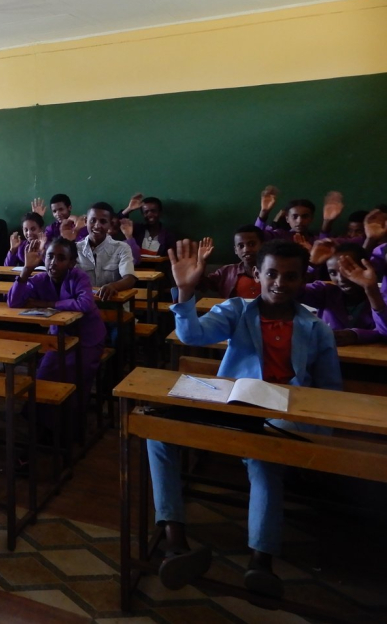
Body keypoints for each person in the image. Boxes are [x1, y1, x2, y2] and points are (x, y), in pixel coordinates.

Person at [149, 239, 341, 599]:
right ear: (257, 274)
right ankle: (175, 541)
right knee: (158, 432)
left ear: (303, 280)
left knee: (264, 461)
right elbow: (192, 334)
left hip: (283, 415)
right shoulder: (238, 310)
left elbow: (330, 391)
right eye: (271, 273)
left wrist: (314, 441)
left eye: (290, 276)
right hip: (232, 405)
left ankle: (260, 562)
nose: (279, 283)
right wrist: (186, 290)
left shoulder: (316, 329)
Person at [7, 238, 106, 420]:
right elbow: (14, 302)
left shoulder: (79, 277)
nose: (53, 262)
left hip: (87, 340)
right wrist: (27, 270)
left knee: (72, 377)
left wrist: (47, 304)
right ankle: (38, 420)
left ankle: (69, 425)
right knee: (44, 375)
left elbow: (84, 303)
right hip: (58, 338)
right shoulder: (40, 279)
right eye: (50, 256)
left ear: (71, 263)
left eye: (61, 258)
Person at [299, 243, 383, 344]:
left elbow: (385, 332)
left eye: (348, 270)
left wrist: (356, 335)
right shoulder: (325, 292)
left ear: (366, 268)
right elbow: (291, 291)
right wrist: (311, 265)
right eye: (333, 273)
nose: (341, 279)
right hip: (329, 358)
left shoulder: (381, 298)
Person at [70, 202, 137, 300]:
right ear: (85, 221)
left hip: (113, 304)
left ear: (110, 224)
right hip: (83, 305)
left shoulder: (121, 248)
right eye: (92, 220)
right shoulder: (75, 249)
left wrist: (113, 286)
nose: (97, 225)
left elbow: (130, 279)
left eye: (103, 221)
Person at [201, 226, 264, 299]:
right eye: (241, 246)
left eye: (251, 244)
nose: (246, 249)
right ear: (235, 250)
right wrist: (201, 262)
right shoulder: (226, 272)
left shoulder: (273, 272)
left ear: (263, 245)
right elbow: (202, 286)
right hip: (234, 310)